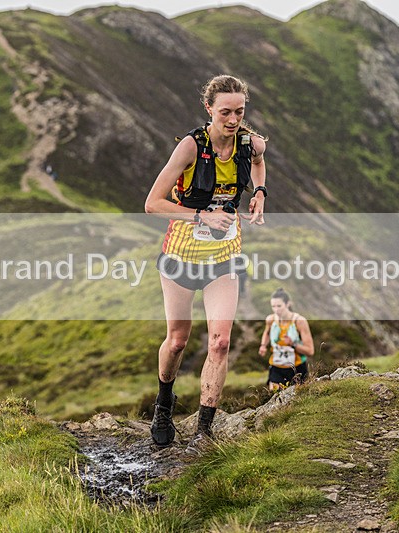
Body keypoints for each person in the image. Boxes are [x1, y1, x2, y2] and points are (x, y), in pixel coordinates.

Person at [144, 74, 267, 450]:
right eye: (225, 112)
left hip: (224, 258)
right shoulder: (190, 146)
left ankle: (203, 432)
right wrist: (202, 217)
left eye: (240, 112)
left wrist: (260, 192)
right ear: (209, 108)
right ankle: (164, 404)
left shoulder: (250, 143)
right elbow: (152, 204)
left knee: (220, 342)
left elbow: (259, 162)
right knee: (178, 341)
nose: (233, 119)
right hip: (181, 255)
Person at [258, 288, 314, 390]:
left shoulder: (299, 321)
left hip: (297, 368)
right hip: (276, 366)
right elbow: (267, 332)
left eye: (279, 306)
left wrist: (293, 344)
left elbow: (310, 351)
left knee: (298, 397)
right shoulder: (270, 320)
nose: (276, 310)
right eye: (273, 306)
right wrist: (263, 345)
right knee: (274, 395)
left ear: (288, 304)